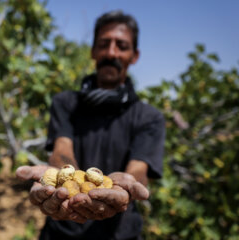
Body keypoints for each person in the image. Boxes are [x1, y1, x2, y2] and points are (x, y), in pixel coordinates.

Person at [16, 10, 165, 240]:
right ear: (93, 51)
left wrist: (127, 183)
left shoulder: (149, 117)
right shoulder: (65, 103)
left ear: (134, 56)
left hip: (120, 233)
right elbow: (62, 150)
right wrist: (64, 177)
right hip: (63, 230)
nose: (111, 52)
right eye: (104, 44)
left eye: (121, 46)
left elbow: (139, 170)